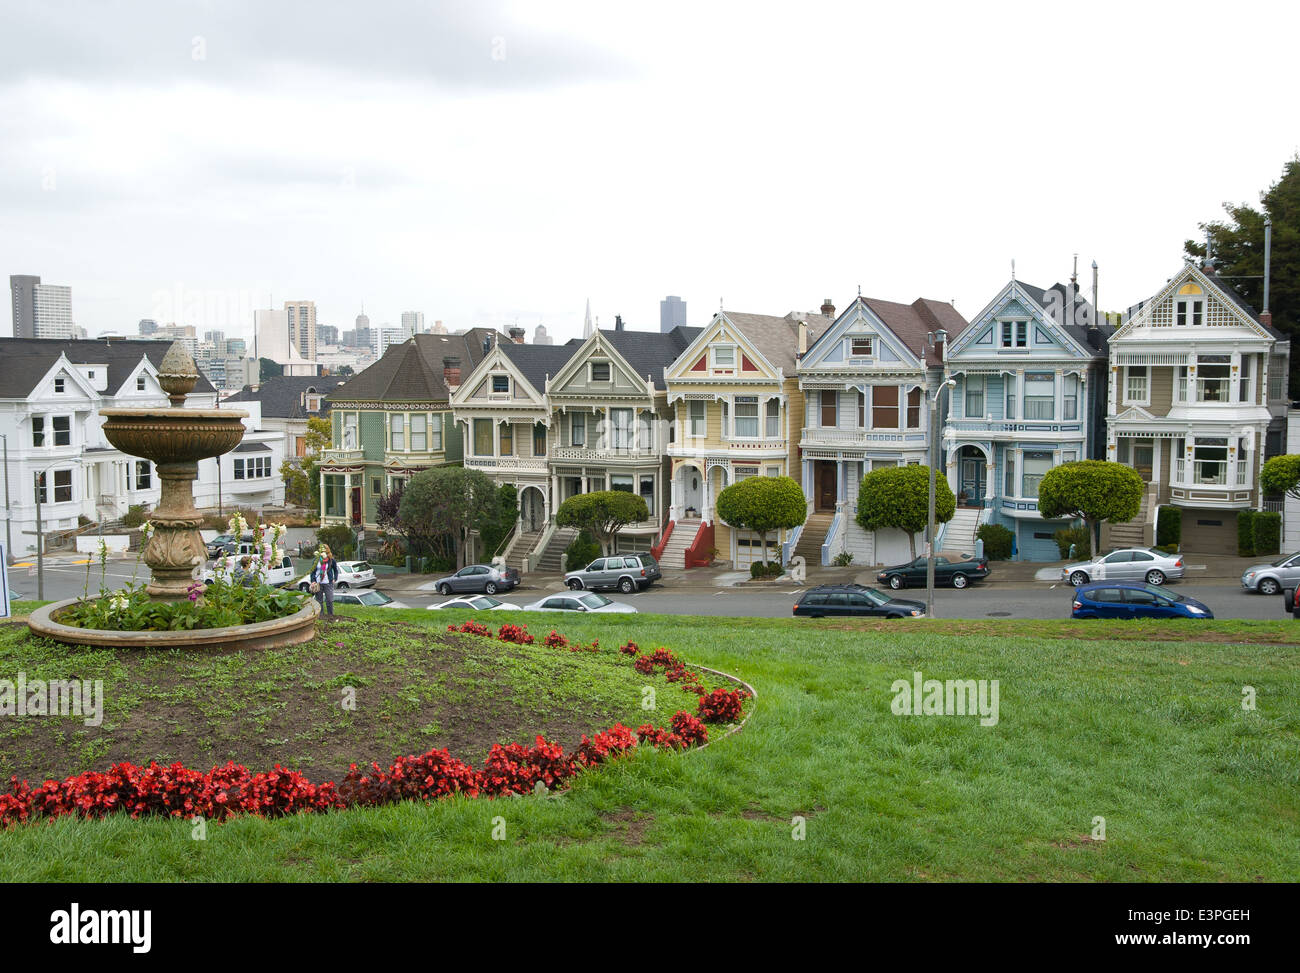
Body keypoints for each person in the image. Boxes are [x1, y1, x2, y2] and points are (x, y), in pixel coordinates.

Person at [311, 545, 339, 617]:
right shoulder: (316, 560)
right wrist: (313, 580)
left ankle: (330, 615)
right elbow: (312, 572)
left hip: (328, 582)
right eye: (321, 550)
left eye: (324, 550)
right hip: (318, 583)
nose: (323, 551)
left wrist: (334, 578)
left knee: (329, 600)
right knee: (319, 601)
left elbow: (335, 570)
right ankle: (321, 616)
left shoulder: (331, 560)